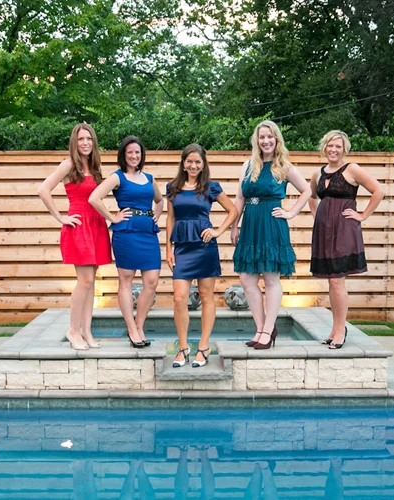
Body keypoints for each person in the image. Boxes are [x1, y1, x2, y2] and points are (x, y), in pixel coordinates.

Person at [231, 120, 311, 350]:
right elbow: (240, 198)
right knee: (247, 279)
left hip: (272, 224)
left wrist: (291, 213)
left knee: (270, 278)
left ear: (276, 139)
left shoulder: (284, 166)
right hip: (250, 223)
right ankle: (260, 328)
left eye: (269, 137)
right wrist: (234, 226)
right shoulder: (248, 165)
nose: (266, 141)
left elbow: (307, 190)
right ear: (256, 141)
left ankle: (268, 329)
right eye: (262, 137)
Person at [38, 123, 110, 350]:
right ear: (74, 142)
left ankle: (87, 331)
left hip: (96, 225)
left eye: (89, 139)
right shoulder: (68, 165)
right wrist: (60, 217)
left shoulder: (95, 168)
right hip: (79, 226)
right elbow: (43, 190)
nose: (85, 143)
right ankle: (73, 330)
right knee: (84, 281)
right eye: (81, 139)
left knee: (91, 282)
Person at [309, 130, 384, 349]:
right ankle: (335, 330)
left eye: (338, 146)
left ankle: (341, 330)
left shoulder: (352, 169)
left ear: (344, 149)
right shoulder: (317, 173)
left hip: (344, 230)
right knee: (332, 281)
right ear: (324, 147)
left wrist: (363, 215)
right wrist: (317, 217)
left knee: (336, 280)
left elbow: (378, 191)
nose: (333, 150)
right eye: (330, 145)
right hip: (324, 231)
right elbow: (311, 197)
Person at [166, 144, 238, 367]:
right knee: (180, 298)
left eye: (198, 161)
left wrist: (218, 231)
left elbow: (233, 210)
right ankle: (183, 347)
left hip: (205, 247)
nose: (193, 165)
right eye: (190, 161)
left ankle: (204, 346)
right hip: (182, 248)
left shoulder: (211, 187)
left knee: (206, 296)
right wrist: (168, 248)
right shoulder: (173, 187)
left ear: (203, 163)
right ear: (183, 162)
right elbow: (170, 218)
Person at [89, 136, 163, 348]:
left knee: (152, 281)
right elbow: (94, 198)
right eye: (129, 152)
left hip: (148, 233)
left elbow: (160, 201)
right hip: (126, 233)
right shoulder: (117, 176)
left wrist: (156, 215)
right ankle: (131, 329)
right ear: (123, 154)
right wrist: (112, 218)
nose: (134, 156)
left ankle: (139, 325)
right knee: (126, 280)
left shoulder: (149, 178)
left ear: (142, 155)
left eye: (137, 152)